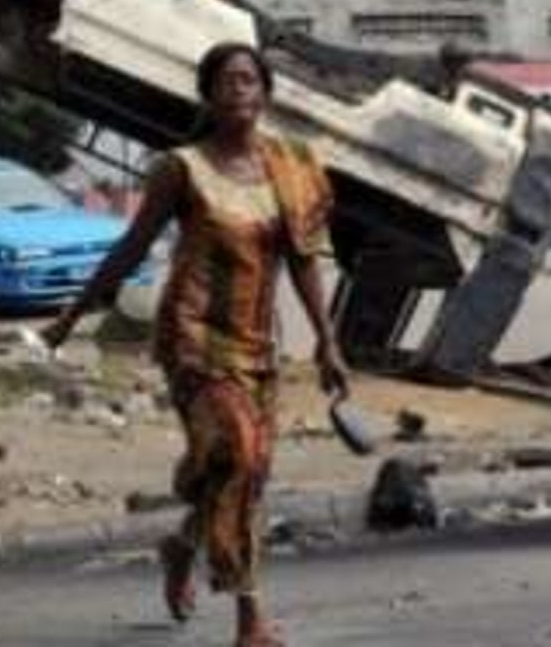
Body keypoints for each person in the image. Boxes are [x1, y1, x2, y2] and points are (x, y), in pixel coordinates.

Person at [40, 42, 349, 647]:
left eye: (249, 80)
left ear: (265, 94)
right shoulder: (181, 168)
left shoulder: (292, 164)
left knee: (247, 470)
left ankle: (182, 546)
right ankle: (250, 616)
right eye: (227, 81)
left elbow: (305, 260)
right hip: (193, 339)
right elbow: (131, 247)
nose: (239, 90)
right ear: (208, 95)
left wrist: (328, 343)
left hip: (258, 341)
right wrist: (72, 316)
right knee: (236, 454)